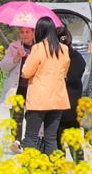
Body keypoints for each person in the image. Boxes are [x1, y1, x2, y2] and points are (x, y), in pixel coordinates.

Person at [19, 15, 69, 156]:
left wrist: (26, 58)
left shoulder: (38, 48)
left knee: (30, 138)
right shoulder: (64, 49)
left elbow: (26, 72)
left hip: (39, 100)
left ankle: (29, 169)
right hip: (58, 99)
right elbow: (65, 72)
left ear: (40, 31)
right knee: (51, 138)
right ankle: (53, 170)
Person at [0, 24, 35, 142]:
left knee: (32, 117)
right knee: (16, 117)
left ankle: (29, 142)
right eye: (22, 32)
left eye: (27, 32)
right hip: (17, 87)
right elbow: (3, 66)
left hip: (32, 88)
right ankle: (16, 141)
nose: (24, 35)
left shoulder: (39, 48)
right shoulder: (14, 47)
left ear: (33, 33)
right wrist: (17, 57)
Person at [56, 23, 88, 160]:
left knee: (57, 141)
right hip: (73, 107)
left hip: (58, 106)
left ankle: (59, 169)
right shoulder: (78, 58)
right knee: (74, 142)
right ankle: (80, 171)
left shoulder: (55, 58)